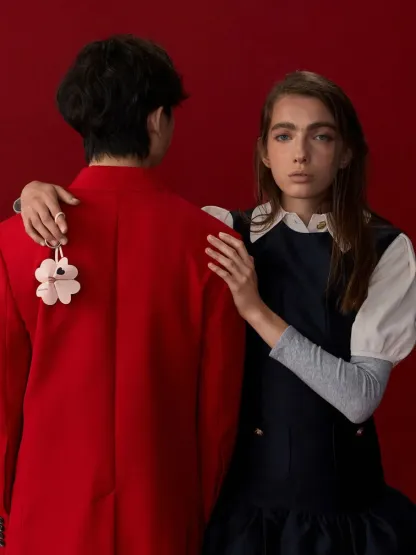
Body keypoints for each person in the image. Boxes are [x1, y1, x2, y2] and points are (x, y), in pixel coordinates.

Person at [12, 71, 416, 554]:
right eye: (283, 135)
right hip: (243, 516)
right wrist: (31, 198)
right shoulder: (223, 232)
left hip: (341, 516)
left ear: (346, 152)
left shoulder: (384, 249)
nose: (300, 154)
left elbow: (359, 398)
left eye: (321, 136)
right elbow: (126, 228)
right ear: (263, 151)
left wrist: (255, 310)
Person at [0, 35, 246, 555]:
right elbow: (217, 412)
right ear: (157, 120)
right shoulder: (213, 245)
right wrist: (193, 510)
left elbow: (2, 403)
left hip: (45, 515)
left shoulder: (14, 241)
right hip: (160, 511)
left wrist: (8, 508)